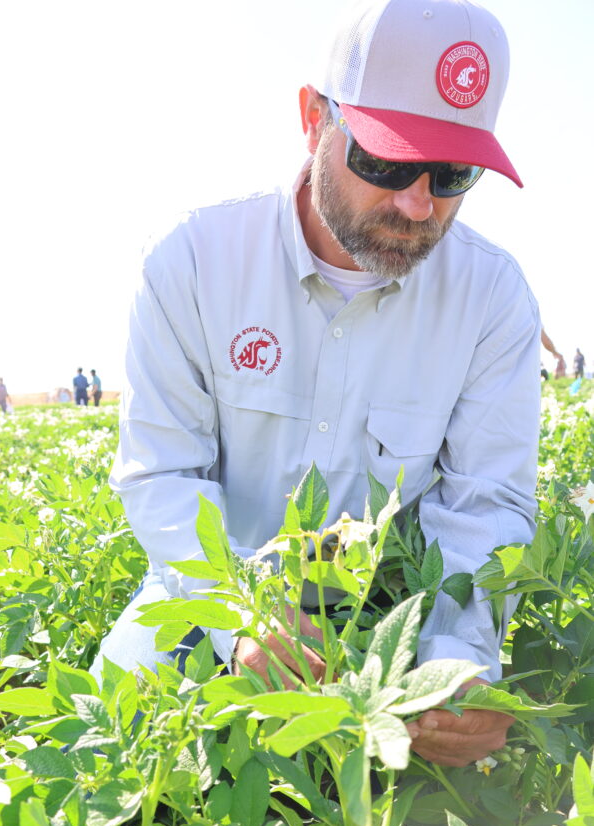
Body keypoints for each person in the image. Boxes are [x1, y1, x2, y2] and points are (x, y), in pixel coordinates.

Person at [95, 0, 541, 768]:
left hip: (391, 610)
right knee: (116, 731)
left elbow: (484, 501)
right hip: (213, 596)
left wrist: (454, 653)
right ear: (312, 119)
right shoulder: (192, 262)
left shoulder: (491, 297)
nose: (417, 202)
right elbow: (163, 474)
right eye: (386, 162)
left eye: (453, 173)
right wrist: (245, 616)